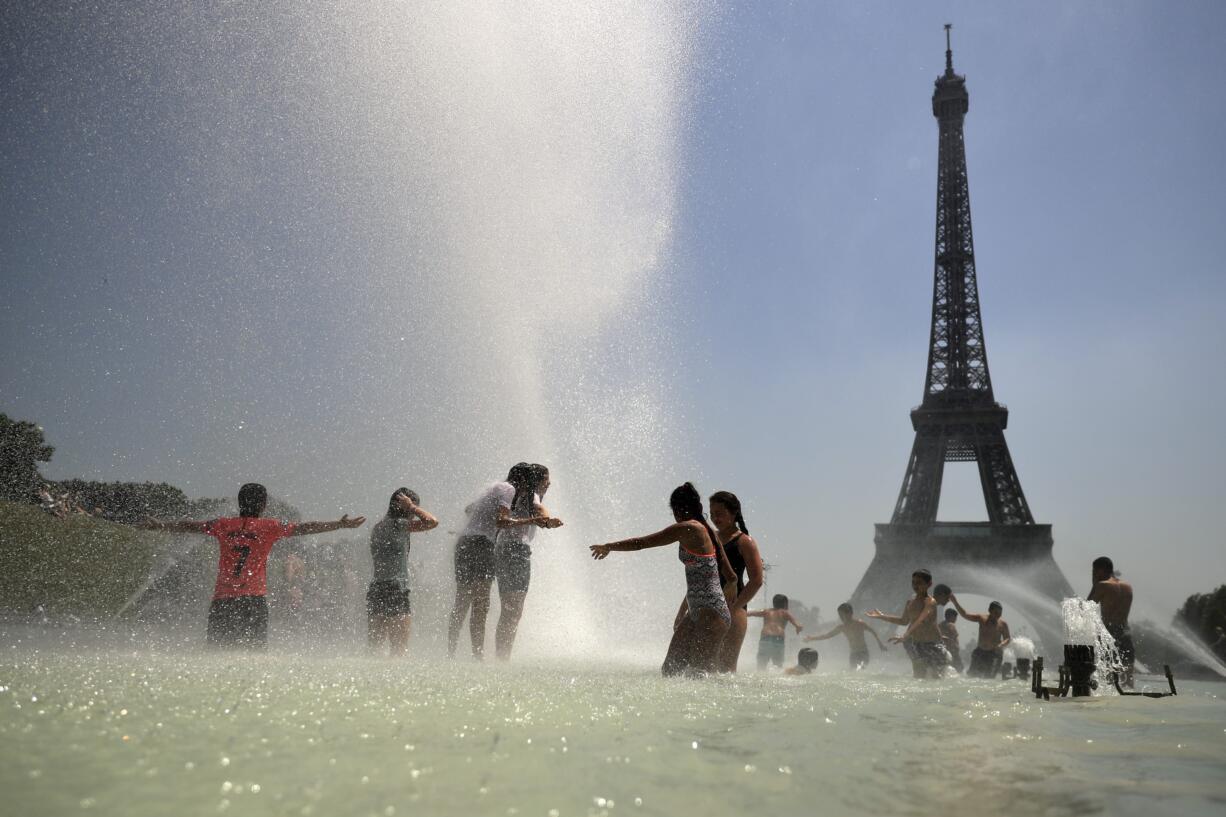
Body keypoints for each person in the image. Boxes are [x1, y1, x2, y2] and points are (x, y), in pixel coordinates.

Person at [136, 482, 365, 649]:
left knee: (216, 655)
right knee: (254, 655)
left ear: (239, 502)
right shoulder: (270, 526)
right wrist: (338, 524)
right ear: (264, 505)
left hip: (223, 600)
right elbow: (305, 527)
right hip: (253, 601)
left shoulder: (222, 524)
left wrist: (161, 525)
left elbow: (189, 526)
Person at [590, 483, 733, 676]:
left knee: (698, 677)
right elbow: (730, 577)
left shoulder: (689, 528)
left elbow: (642, 543)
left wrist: (609, 546)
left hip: (711, 614)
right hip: (699, 610)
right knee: (670, 670)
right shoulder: (708, 531)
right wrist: (689, 607)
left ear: (677, 510)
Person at [447, 466, 521, 659]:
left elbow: (469, 509)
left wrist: (476, 524)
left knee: (462, 601)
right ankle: (477, 656)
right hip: (481, 545)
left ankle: (451, 653)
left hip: (464, 543)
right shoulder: (509, 490)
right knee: (480, 603)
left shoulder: (494, 488)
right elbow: (502, 520)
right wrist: (536, 519)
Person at [493, 463, 563, 660]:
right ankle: (502, 659)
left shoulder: (518, 494)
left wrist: (546, 519)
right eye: (545, 479)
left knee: (510, 610)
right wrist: (547, 520)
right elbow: (540, 511)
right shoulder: (530, 495)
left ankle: (501, 657)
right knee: (513, 611)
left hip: (502, 549)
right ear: (536, 481)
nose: (549, 483)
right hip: (516, 552)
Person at [366, 488, 439, 657]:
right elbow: (432, 522)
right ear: (404, 507)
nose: (413, 515)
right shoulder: (399, 525)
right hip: (396, 588)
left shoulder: (378, 527)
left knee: (374, 650)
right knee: (399, 651)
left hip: (377, 588)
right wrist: (412, 506)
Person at [709, 491, 765, 672]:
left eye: (720, 513)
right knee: (705, 666)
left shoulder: (744, 541)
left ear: (733, 513)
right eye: (712, 514)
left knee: (725, 669)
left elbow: (756, 580)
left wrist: (735, 607)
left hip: (734, 609)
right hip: (708, 605)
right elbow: (703, 576)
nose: (715, 518)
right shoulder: (710, 538)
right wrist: (684, 609)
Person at [866, 568, 950, 678]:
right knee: (918, 677)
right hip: (916, 644)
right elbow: (904, 621)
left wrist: (906, 635)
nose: (915, 586)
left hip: (932, 645)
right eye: (913, 582)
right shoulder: (910, 602)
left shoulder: (930, 602)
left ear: (929, 584)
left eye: (919, 583)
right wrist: (881, 617)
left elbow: (921, 619)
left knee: (936, 679)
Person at [1088, 556, 1134, 687]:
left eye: (1093, 571)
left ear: (1100, 571)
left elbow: (1087, 606)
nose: (1093, 574)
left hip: (1109, 633)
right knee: (1128, 680)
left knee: (1107, 679)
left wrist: (1094, 584)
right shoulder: (1127, 587)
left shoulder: (1102, 586)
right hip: (1126, 633)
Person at [805, 602, 886, 670]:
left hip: (863, 653)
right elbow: (827, 636)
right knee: (853, 672)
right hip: (853, 654)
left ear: (850, 613)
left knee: (860, 670)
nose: (841, 617)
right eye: (840, 615)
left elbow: (873, 631)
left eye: (843, 615)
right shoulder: (842, 627)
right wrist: (812, 638)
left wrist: (880, 644)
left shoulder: (859, 624)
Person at [947, 594, 1010, 678]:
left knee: (989, 678)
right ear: (989, 610)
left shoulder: (1003, 624)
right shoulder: (981, 618)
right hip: (980, 652)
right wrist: (955, 602)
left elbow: (1008, 638)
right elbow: (965, 614)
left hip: (994, 654)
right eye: (996, 612)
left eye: (999, 613)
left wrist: (1001, 645)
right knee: (972, 676)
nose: (997, 615)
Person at [749, 594, 804, 670]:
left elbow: (750, 613)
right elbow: (797, 624)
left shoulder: (766, 611)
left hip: (765, 639)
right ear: (785, 604)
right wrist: (798, 627)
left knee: (761, 663)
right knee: (778, 664)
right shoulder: (785, 613)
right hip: (778, 640)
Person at [938, 608, 964, 673]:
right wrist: (957, 648)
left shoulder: (940, 625)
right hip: (952, 651)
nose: (956, 619)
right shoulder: (951, 625)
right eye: (955, 617)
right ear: (951, 616)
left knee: (943, 669)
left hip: (942, 651)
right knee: (959, 669)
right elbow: (954, 638)